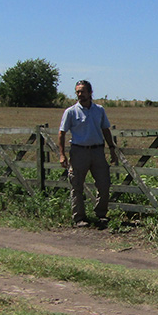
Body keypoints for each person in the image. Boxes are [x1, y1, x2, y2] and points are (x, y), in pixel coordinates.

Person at [58, 80, 118, 227]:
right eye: (78, 92)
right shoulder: (71, 112)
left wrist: (112, 148)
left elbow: (105, 130)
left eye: (83, 91)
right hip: (79, 152)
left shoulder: (99, 110)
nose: (80, 94)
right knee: (76, 185)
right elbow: (62, 133)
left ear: (90, 92)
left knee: (104, 184)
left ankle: (101, 214)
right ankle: (79, 218)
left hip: (97, 151)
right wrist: (62, 154)